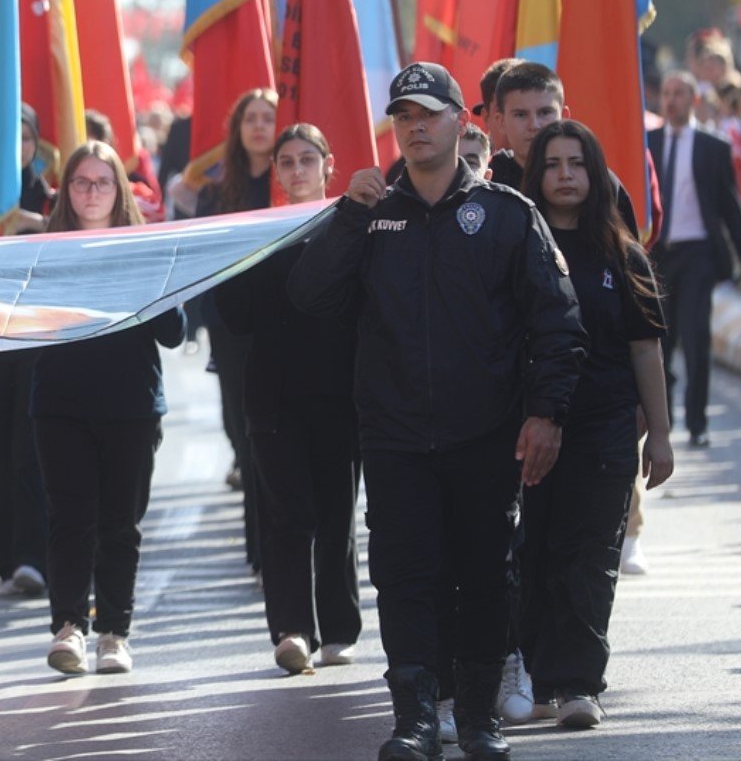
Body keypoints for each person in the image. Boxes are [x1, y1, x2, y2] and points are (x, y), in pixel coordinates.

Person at [291, 62, 585, 761]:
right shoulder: (370, 215)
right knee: (405, 576)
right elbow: (309, 299)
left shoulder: (509, 216)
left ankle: (480, 717)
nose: (416, 126)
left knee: (485, 575)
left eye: (428, 112)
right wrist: (350, 215)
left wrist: (547, 413)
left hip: (486, 437)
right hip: (394, 439)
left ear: (462, 121)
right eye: (403, 116)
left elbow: (558, 322)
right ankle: (416, 719)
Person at [519, 120, 675, 730]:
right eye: (553, 164)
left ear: (596, 173)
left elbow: (645, 350)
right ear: (538, 175)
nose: (564, 175)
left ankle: (579, 684)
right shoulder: (516, 246)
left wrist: (658, 437)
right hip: (528, 431)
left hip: (606, 430)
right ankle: (532, 678)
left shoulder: (621, 252)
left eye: (577, 164)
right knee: (532, 555)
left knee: (588, 559)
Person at [34, 141, 183, 676]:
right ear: (65, 190)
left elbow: (174, 331)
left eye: (102, 182)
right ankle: (68, 627)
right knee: (69, 519)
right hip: (61, 406)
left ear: (119, 189)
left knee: (120, 525)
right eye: (81, 182)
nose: (91, 192)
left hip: (130, 407)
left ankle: (114, 633)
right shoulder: (44, 249)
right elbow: (22, 324)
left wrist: (152, 277)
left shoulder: (145, 245)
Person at [217, 124, 361, 676]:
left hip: (338, 396)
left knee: (336, 514)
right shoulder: (260, 232)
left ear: (328, 164)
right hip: (272, 397)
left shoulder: (350, 227)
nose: (297, 170)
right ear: (275, 172)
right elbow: (236, 319)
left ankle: (339, 628)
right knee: (285, 517)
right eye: (287, 162)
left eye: (307, 159)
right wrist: (234, 258)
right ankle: (292, 629)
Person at [648, 70, 741, 447]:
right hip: (659, 255)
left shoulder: (713, 147)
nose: (671, 100)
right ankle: (658, 421)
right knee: (659, 342)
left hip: (698, 254)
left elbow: (732, 208)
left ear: (693, 99)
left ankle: (697, 423)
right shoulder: (648, 143)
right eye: (666, 93)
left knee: (696, 340)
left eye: (679, 93)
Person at [0, 105, 52, 597]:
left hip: (36, 339)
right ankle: (7, 554)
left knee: (30, 449)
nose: (17, 147)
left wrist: (34, 222)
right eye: (9, 138)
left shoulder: (50, 198)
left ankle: (32, 554)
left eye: (25, 138)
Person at [196, 88, 278, 570]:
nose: (260, 126)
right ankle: (258, 546)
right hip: (231, 330)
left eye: (269, 117)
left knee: (274, 435)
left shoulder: (293, 183)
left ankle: (280, 543)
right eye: (251, 117)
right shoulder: (216, 192)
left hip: (283, 325)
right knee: (241, 430)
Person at [487, 61, 643, 233]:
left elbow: (626, 252)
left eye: (545, 112)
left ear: (564, 116)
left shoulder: (597, 179)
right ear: (501, 122)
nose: (534, 125)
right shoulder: (489, 182)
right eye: (521, 115)